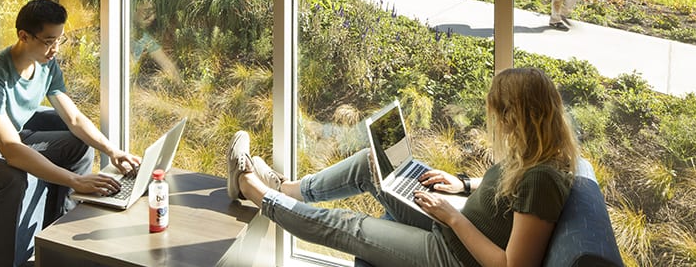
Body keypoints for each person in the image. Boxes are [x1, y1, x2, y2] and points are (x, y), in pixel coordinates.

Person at [226, 67, 579, 266]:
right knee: (373, 165)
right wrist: (462, 184)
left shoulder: (542, 178)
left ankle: (250, 188)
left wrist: (452, 217)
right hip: (458, 225)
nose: (497, 124)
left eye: (499, 114)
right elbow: (510, 195)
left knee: (350, 226)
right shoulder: (537, 152)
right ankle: (286, 188)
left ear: (515, 116)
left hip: (455, 256)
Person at [0, 0, 142, 266]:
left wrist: (113, 150)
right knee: (12, 178)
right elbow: (11, 151)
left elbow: (75, 118)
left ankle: (58, 239)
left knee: (77, 145)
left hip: (10, 139)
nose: (55, 48)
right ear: (23, 36)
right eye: (48, 41)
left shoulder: (46, 65)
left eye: (59, 40)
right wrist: (75, 181)